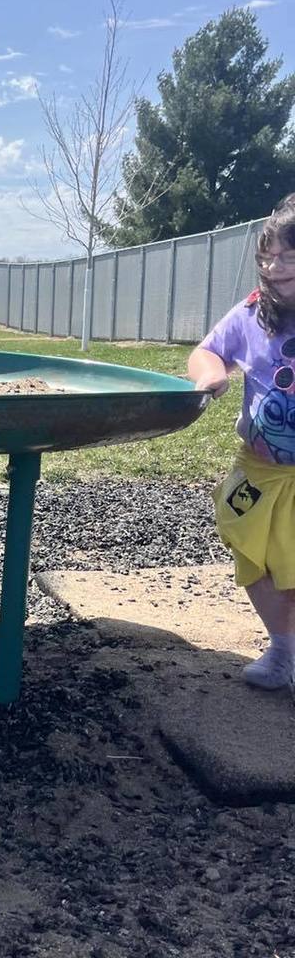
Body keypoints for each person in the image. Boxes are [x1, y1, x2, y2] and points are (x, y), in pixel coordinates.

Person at [188, 196, 295, 690]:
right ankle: (283, 649)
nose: (274, 268)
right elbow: (209, 350)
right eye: (267, 257)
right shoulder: (253, 312)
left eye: (287, 256)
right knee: (252, 551)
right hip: (258, 466)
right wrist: (212, 375)